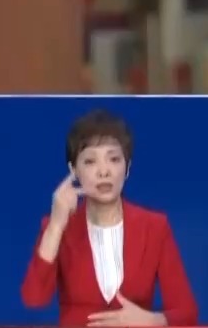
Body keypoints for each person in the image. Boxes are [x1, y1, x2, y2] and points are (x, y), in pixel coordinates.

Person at [21, 109, 198, 326]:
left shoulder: (155, 227)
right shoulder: (56, 227)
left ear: (127, 168)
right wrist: (56, 226)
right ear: (74, 170)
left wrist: (153, 320)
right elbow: (34, 298)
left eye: (114, 159)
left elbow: (187, 312)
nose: (103, 171)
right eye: (90, 161)